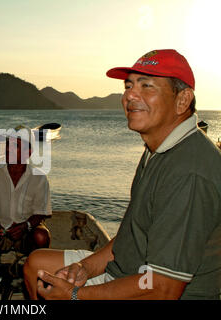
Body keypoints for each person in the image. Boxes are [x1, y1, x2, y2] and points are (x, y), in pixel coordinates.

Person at [24, 49, 221, 300]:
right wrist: (85, 268)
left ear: (182, 100)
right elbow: (130, 236)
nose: (130, 95)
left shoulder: (189, 172)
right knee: (36, 265)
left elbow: (163, 288)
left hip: (155, 290)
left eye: (146, 86)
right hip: (129, 271)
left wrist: (75, 296)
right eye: (128, 86)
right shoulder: (157, 149)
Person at [0, 129, 52, 256]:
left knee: (41, 236)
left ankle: (34, 269)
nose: (9, 149)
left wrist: (26, 226)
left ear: (29, 152)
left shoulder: (39, 177)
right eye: (8, 145)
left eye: (16, 146)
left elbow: (41, 213)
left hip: (27, 231)